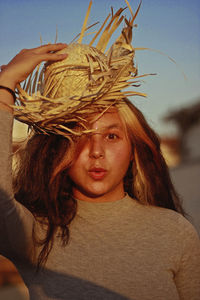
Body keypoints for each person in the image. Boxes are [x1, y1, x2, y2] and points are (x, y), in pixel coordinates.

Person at [0, 2, 200, 300]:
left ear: (134, 148)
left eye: (111, 136)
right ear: (59, 152)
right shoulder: (36, 235)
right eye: (78, 136)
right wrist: (4, 88)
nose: (95, 151)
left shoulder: (175, 232)